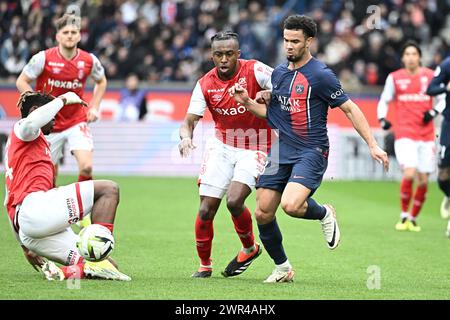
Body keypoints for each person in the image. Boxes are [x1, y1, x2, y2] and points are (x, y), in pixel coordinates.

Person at [229, 15, 389, 283]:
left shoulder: (321, 75)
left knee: (291, 205)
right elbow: (269, 114)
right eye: (285, 40)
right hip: (282, 149)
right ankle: (282, 268)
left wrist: (373, 144)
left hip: (311, 150)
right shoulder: (279, 73)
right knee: (263, 211)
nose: (288, 46)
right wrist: (246, 102)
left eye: (295, 41)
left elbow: (350, 108)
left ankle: (324, 212)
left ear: (309, 41)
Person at [4, 90, 130, 281]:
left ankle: (61, 273)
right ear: (36, 110)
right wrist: (63, 99)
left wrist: (24, 245)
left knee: (106, 266)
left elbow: (9, 201)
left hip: (29, 229)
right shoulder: (23, 129)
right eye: (53, 116)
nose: (55, 121)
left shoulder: (25, 147)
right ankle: (99, 242)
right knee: (109, 189)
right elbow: (31, 122)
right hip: (37, 210)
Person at [179, 31, 273, 278]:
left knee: (233, 201)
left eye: (229, 54)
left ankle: (249, 247)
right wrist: (186, 137)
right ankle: (204, 265)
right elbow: (188, 121)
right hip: (221, 146)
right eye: (218, 54)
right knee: (205, 210)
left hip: (256, 145)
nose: (224, 59)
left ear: (238, 55)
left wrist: (269, 94)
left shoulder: (256, 70)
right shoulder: (204, 84)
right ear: (211, 56)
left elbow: (285, 86)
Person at [16, 13, 107, 184]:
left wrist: (94, 107)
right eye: (66, 32)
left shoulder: (89, 60)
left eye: (74, 32)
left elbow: (101, 81)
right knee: (50, 176)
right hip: (49, 124)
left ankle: (83, 207)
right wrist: (37, 107)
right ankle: (54, 207)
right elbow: (22, 81)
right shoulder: (43, 58)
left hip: (77, 120)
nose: (70, 36)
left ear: (79, 35)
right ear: (58, 36)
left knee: (87, 167)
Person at [377, 41, 445, 232]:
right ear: (402, 58)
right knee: (409, 172)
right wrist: (382, 118)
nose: (410, 57)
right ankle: (403, 216)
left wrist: (433, 113)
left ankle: (413, 218)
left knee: (423, 179)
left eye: (414, 54)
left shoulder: (430, 76)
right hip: (405, 133)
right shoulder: (395, 78)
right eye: (407, 54)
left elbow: (443, 99)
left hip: (426, 135)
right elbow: (384, 99)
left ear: (420, 57)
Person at [426, 56, 450, 226]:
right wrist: (446, 87)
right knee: (443, 175)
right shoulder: (447, 65)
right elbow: (431, 88)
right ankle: (448, 195)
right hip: (449, 123)